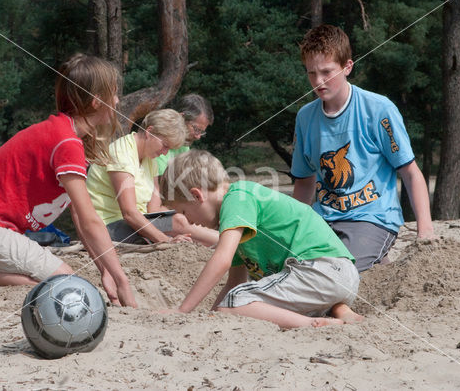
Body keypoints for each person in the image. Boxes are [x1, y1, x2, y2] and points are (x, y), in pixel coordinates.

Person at [0, 53, 136, 307]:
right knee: (62, 281)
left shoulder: (68, 135)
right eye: (113, 94)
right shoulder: (66, 142)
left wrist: (105, 270)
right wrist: (121, 280)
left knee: (49, 279)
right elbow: (91, 221)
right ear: (96, 101)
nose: (117, 100)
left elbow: (80, 216)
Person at [159, 150, 363, 329]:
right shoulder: (237, 220)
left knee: (234, 303)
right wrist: (213, 315)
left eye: (184, 211)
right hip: (339, 279)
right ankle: (339, 310)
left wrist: (183, 310)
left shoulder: (238, 197)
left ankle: (311, 324)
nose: (189, 221)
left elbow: (221, 261)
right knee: (238, 302)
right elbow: (234, 281)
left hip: (319, 270)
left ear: (196, 196)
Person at [291, 24, 434, 272]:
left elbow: (410, 172)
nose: (318, 81)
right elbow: (304, 182)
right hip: (323, 219)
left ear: (348, 66)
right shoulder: (305, 118)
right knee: (292, 267)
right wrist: (293, 229)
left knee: (339, 273)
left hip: (372, 218)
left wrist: (426, 230)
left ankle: (369, 257)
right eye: (311, 73)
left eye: (327, 72)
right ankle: (379, 266)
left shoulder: (379, 110)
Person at [86, 109, 218, 246]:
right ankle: (228, 242)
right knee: (177, 222)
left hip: (134, 222)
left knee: (179, 218)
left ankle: (225, 241)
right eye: (165, 145)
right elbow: (129, 213)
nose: (165, 153)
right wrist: (166, 240)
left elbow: (153, 209)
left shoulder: (149, 160)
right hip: (108, 226)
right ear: (149, 132)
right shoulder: (122, 153)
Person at [155, 94, 214, 176]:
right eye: (196, 129)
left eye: (201, 132)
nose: (198, 136)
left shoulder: (184, 144)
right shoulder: (156, 139)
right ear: (181, 117)